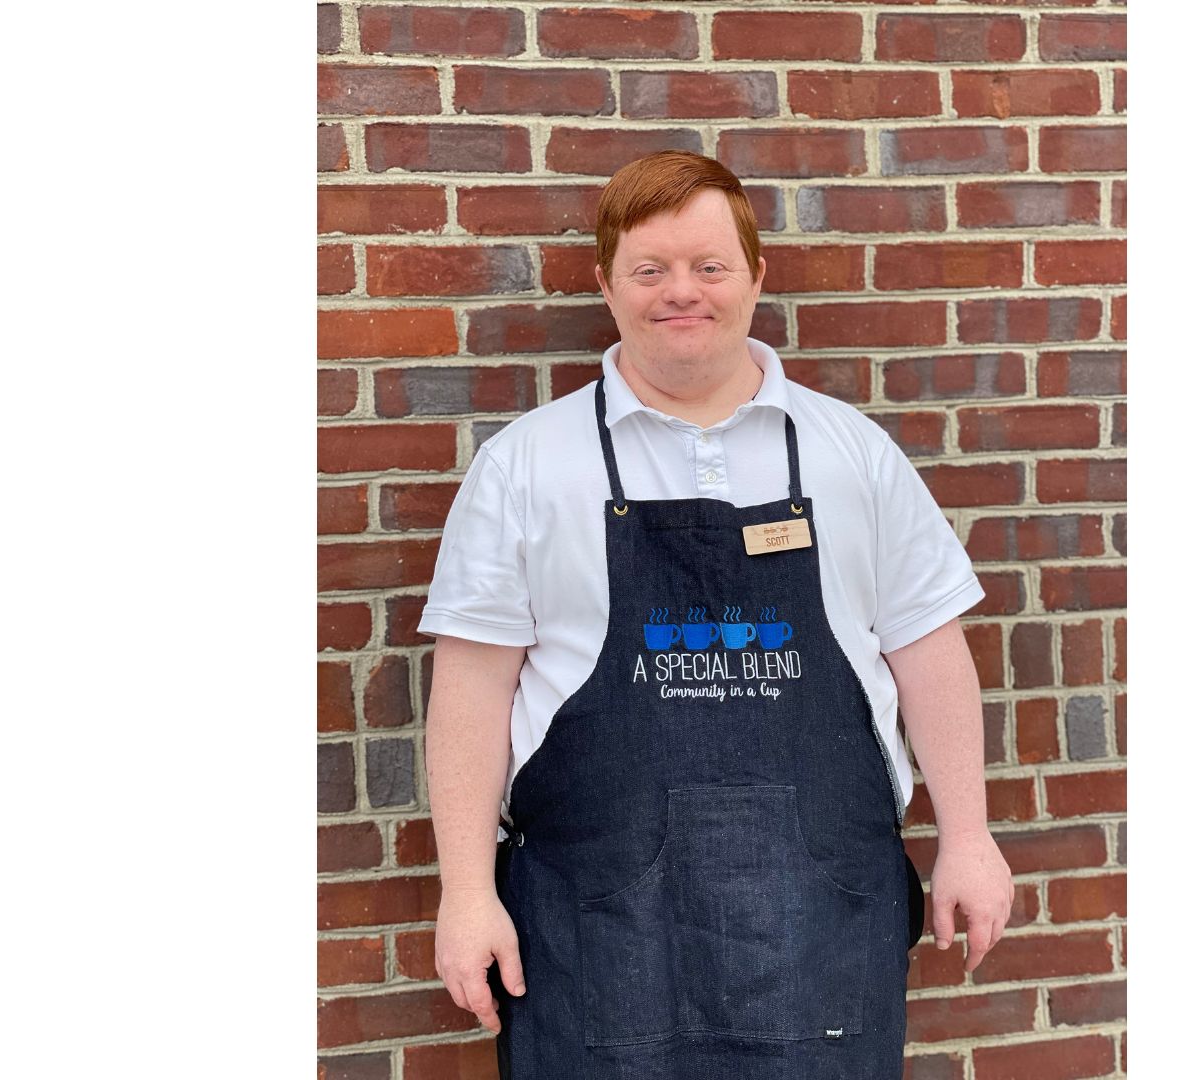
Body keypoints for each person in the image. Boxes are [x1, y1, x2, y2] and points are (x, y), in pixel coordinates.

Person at [421, 149, 1014, 1077]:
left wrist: (969, 839)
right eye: (649, 269)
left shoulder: (849, 453)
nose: (680, 293)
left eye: (709, 266)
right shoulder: (526, 465)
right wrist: (464, 890)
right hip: (593, 930)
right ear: (606, 285)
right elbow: (470, 684)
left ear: (755, 277)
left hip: (824, 923)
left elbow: (929, 650)